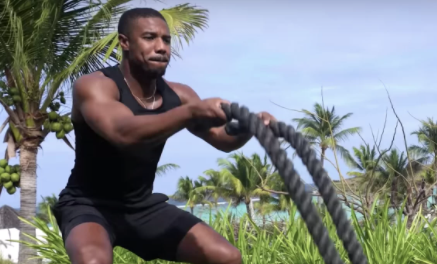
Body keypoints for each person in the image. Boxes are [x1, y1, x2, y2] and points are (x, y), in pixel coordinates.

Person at [53, 7, 274, 264]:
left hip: (143, 207)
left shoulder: (180, 95)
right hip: (88, 205)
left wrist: (251, 127)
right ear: (125, 42)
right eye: (150, 38)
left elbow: (222, 140)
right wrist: (190, 112)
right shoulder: (95, 86)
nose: (161, 47)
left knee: (226, 257)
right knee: (94, 261)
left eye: (166, 40)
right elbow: (123, 132)